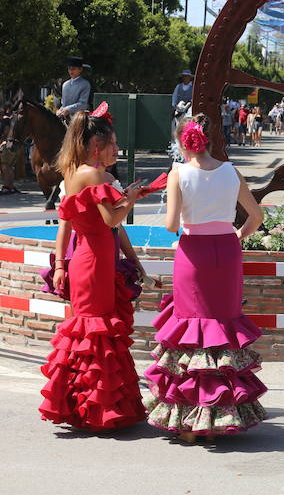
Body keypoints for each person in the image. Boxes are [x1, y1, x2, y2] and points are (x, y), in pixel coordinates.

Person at [144, 114, 266, 442]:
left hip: (193, 252)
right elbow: (257, 216)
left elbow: (171, 225)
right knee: (222, 326)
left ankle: (191, 419)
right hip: (227, 250)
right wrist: (235, 236)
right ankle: (222, 413)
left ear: (183, 143)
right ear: (208, 139)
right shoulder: (231, 171)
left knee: (193, 328)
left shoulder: (178, 173)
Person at [40, 110, 147, 430]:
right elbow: (112, 221)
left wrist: (60, 265)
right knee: (96, 333)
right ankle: (97, 410)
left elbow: (65, 228)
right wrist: (131, 199)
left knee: (86, 332)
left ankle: (79, 405)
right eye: (112, 144)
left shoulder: (73, 172)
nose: (117, 149)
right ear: (96, 145)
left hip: (87, 260)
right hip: (97, 262)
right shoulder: (95, 176)